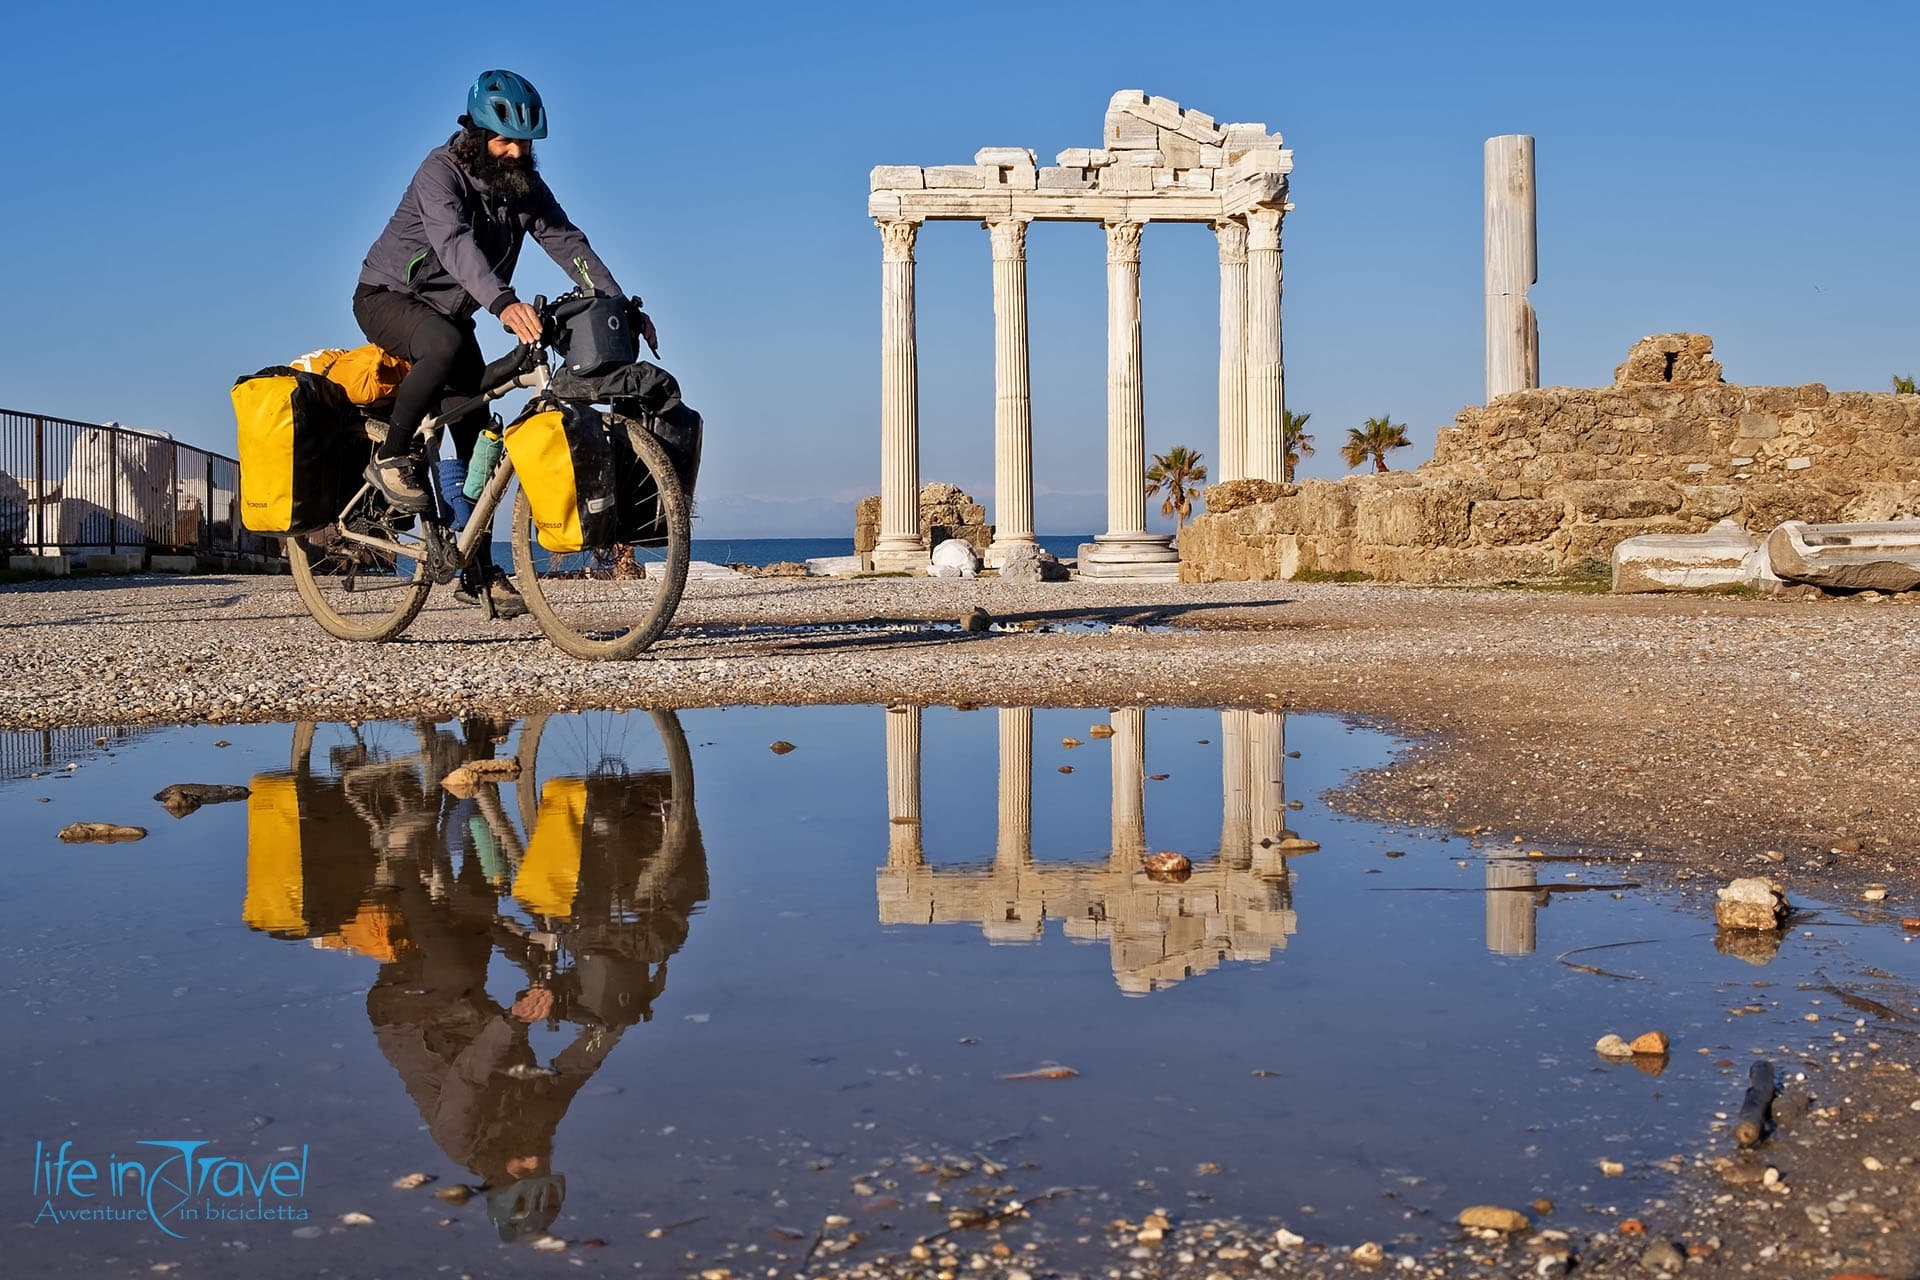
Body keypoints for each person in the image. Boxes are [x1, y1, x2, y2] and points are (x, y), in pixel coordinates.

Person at [353, 69, 645, 617]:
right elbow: (455, 243)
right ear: (475, 133)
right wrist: (503, 302)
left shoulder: (524, 187)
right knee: (441, 344)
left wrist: (618, 305)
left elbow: (566, 241)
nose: (516, 152)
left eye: (525, 143)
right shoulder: (438, 173)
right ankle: (390, 457)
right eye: (505, 140)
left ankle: (478, 572)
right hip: (388, 296)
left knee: (478, 439)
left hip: (454, 315)